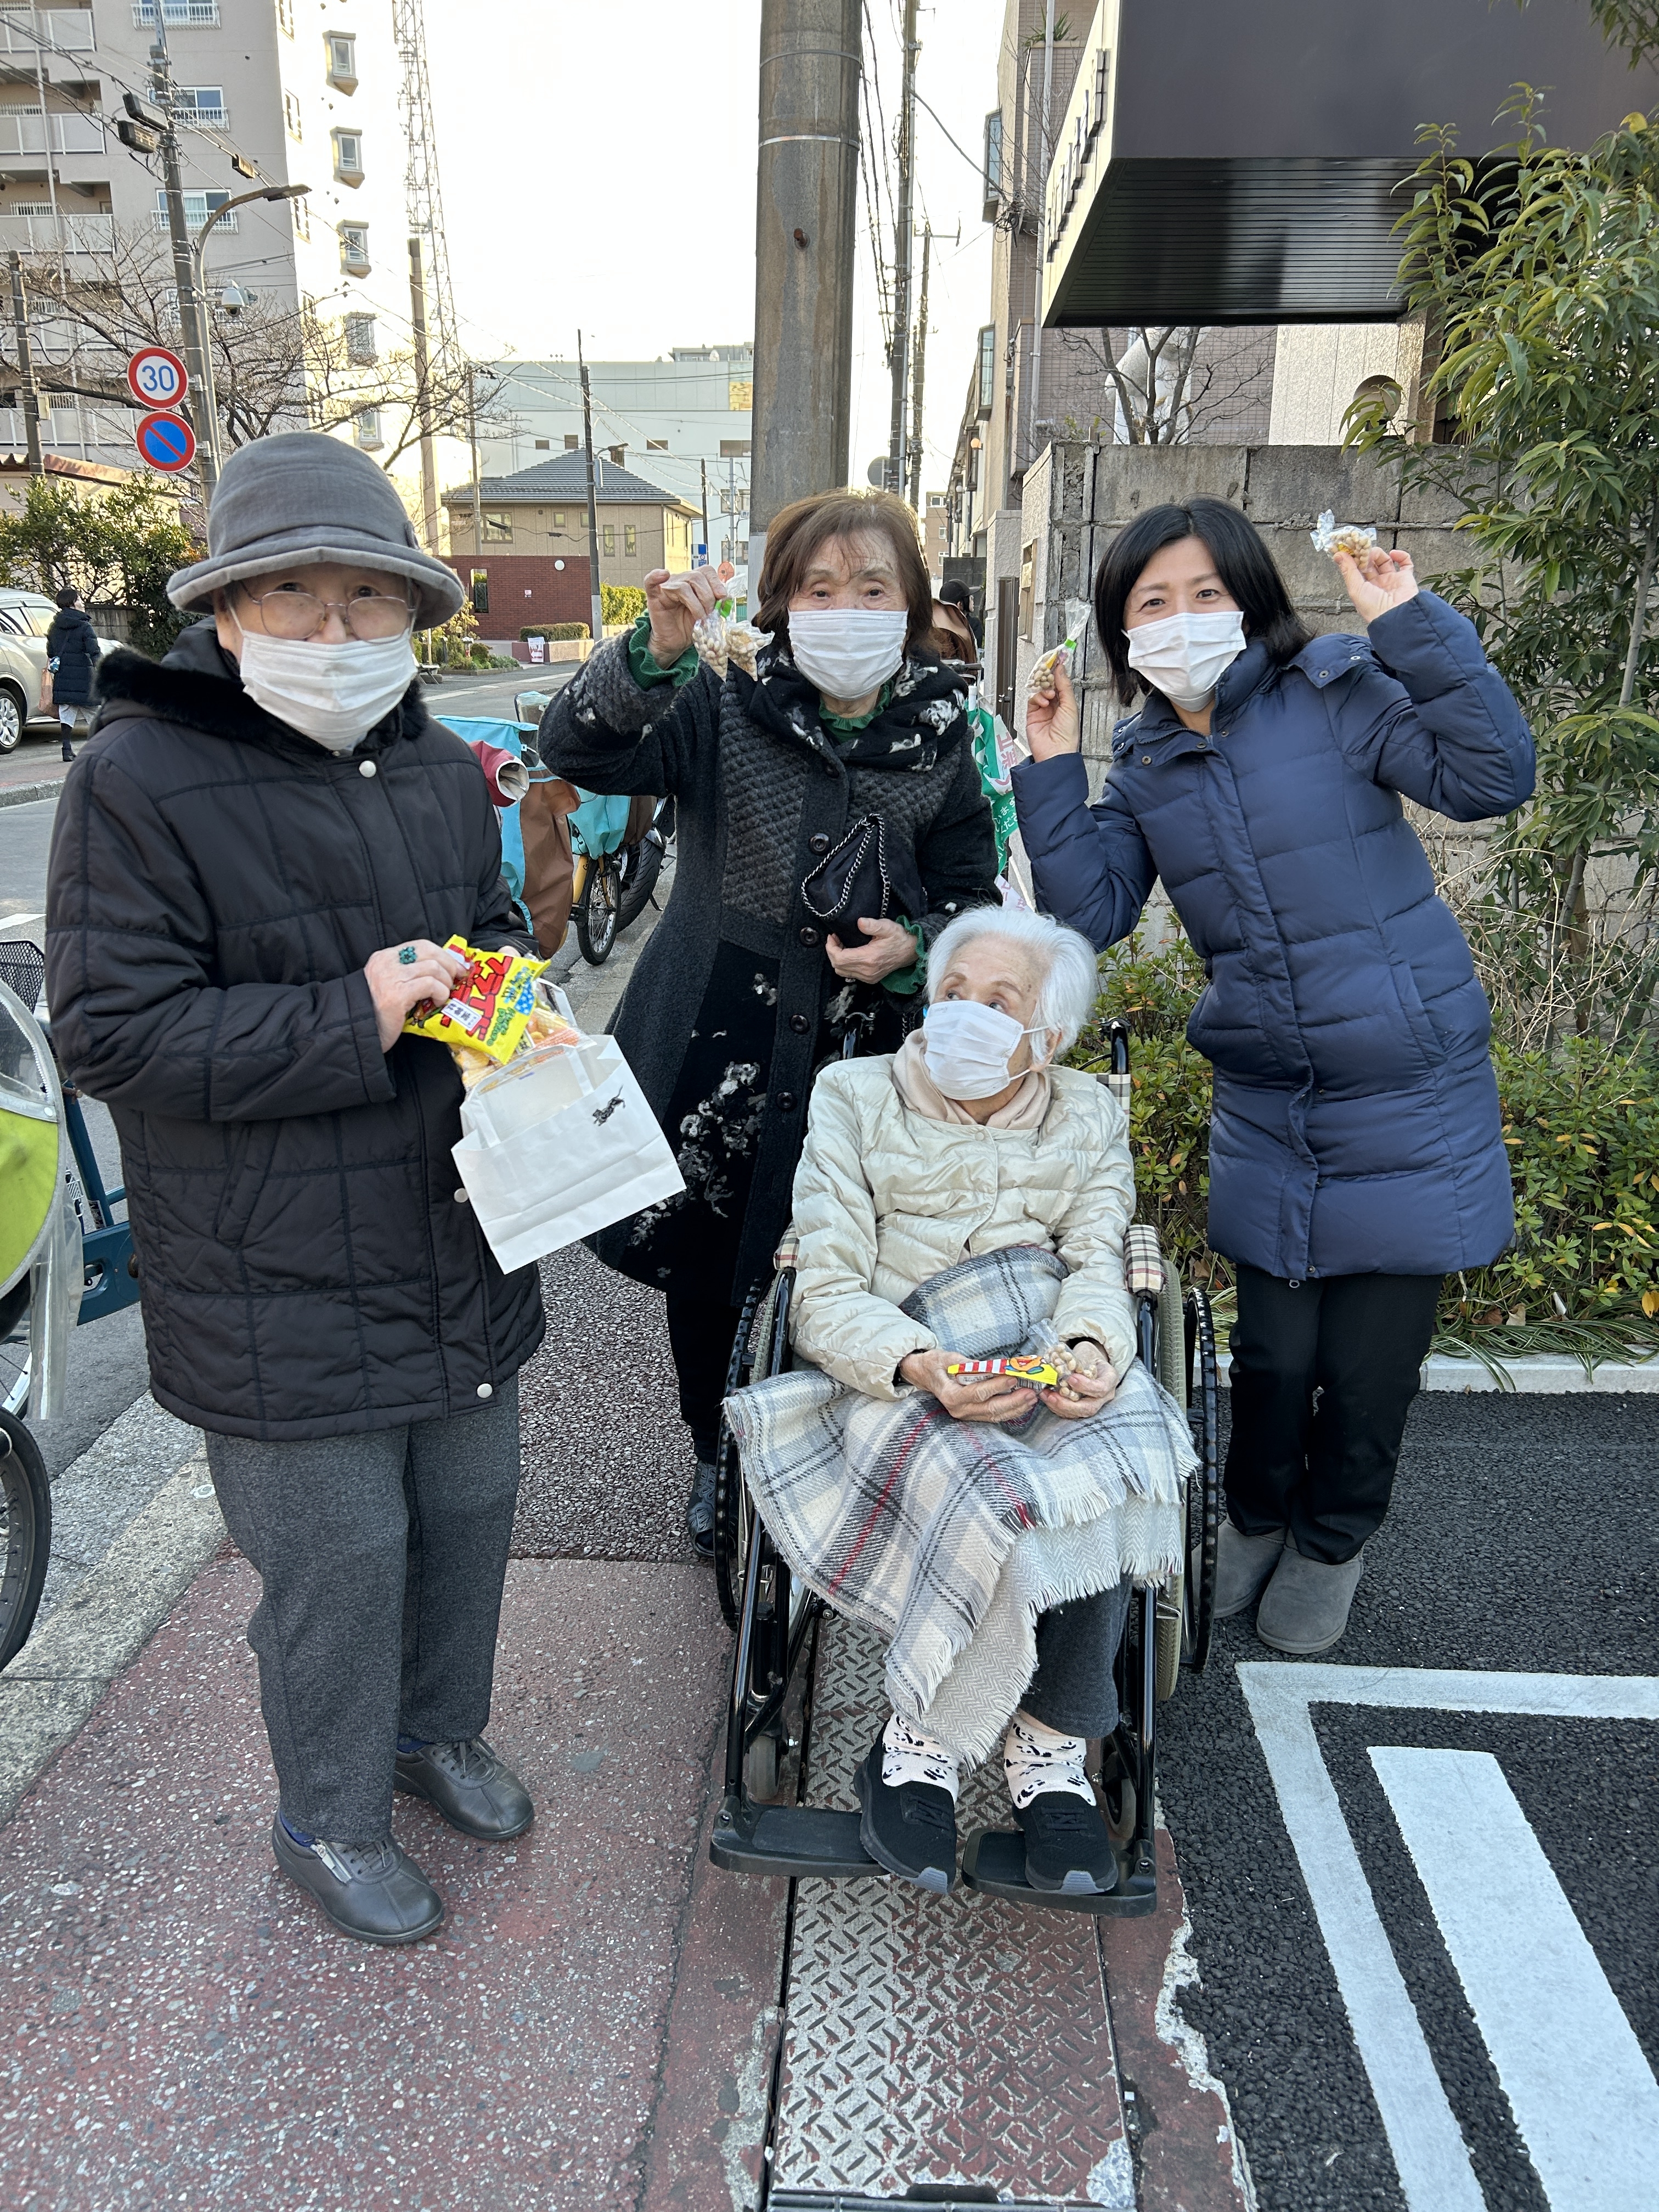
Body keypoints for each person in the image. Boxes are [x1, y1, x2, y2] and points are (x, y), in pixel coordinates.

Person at [45, 431, 546, 1948]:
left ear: (412, 616)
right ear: (227, 610)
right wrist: (359, 1010)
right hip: (269, 1269)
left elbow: (495, 922)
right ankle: (325, 1818)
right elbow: (111, 1031)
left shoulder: (443, 766)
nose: (338, 636)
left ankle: (432, 1733)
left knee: (470, 1511)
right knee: (337, 1562)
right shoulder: (136, 776)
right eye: (297, 601)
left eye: (369, 604)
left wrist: (510, 993)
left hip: (458, 1224)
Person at [1013, 499, 1535, 1655]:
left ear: (1249, 600)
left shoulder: (1341, 690)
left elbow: (1492, 775)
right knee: (1271, 1354)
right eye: (1153, 604)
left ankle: (1332, 1539)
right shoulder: (1147, 757)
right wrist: (1052, 769)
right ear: (1121, 633)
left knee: (1364, 1372)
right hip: (1270, 1095)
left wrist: (1410, 624)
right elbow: (1088, 913)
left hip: (1410, 1085)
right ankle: (1253, 1515)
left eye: (1206, 594)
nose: (1183, 620)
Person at [544, 489, 998, 1554]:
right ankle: (716, 1453)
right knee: (707, 1278)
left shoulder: (941, 735)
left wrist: (916, 948)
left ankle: (831, 1447)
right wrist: (655, 652)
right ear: (781, 603)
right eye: (818, 588)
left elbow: (973, 894)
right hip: (713, 1046)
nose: (845, 608)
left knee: (845, 1267)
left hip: (863, 1055)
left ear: (911, 605)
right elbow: (585, 752)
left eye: (872, 588)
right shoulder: (719, 702)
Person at [724, 906, 1190, 1899]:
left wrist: (1088, 1349)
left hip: (1037, 1328)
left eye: (998, 1002)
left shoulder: (1084, 1113)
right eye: (949, 994)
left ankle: (1050, 1746)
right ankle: (920, 1742)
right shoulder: (854, 1095)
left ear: (1048, 1039)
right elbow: (828, 1287)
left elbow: (1093, 1257)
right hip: (902, 1348)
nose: (964, 1017)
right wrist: (918, 1364)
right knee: (991, 1483)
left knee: (1108, 1460)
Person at [46, 585, 99, 763]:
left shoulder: (55, 626)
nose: (82, 602)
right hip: (83, 677)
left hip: (63, 676)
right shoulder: (84, 626)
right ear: (72, 603)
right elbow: (95, 653)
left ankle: (66, 749)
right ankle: (97, 750)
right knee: (94, 713)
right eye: (79, 599)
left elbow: (51, 652)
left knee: (67, 712)